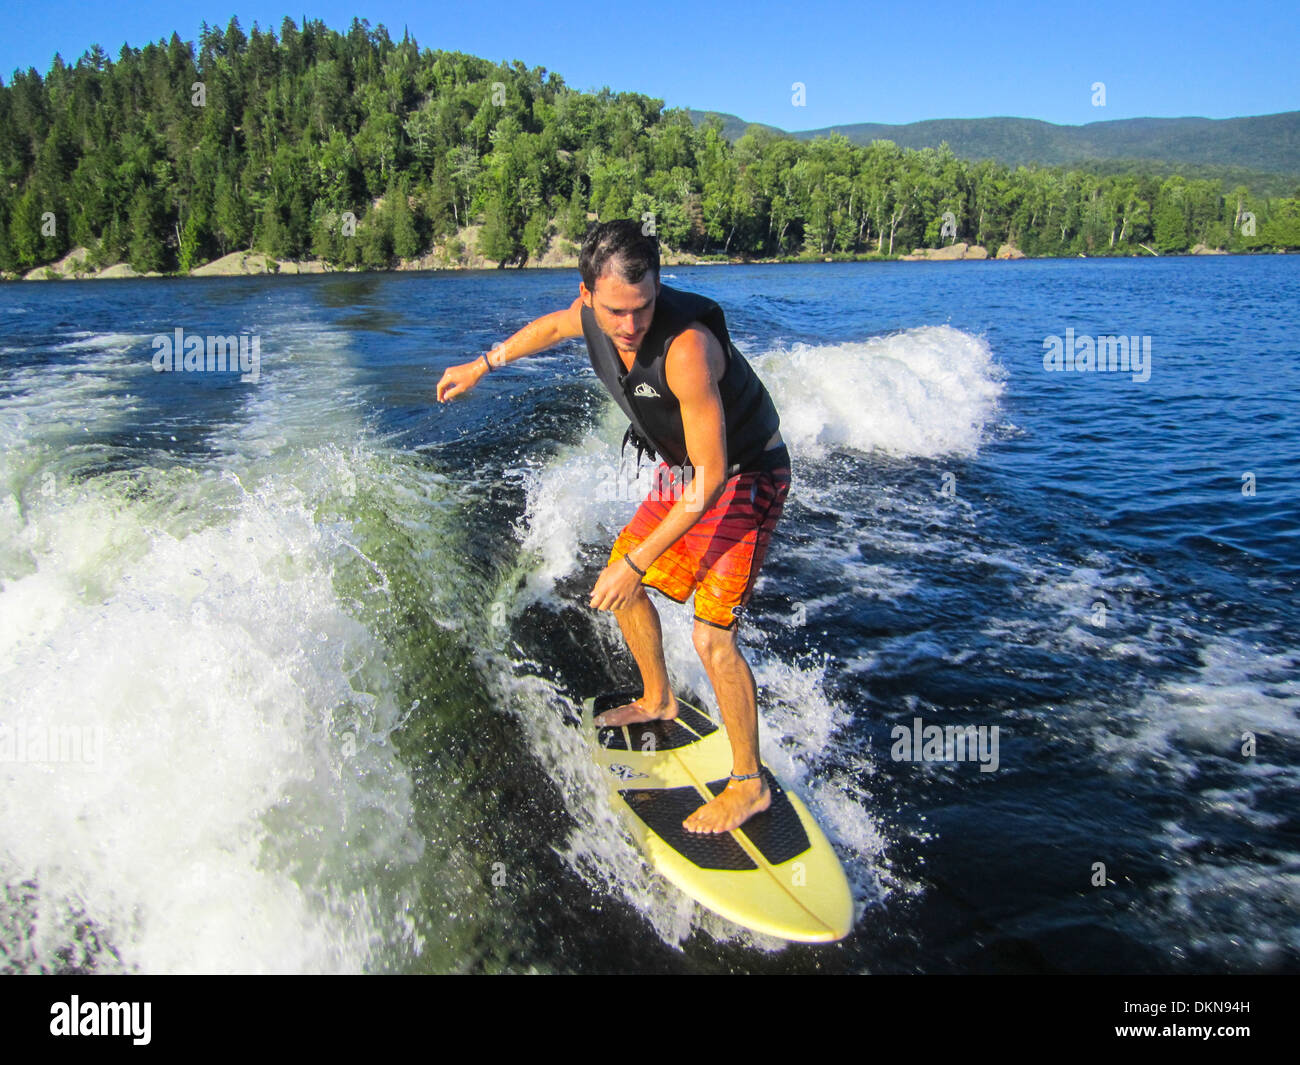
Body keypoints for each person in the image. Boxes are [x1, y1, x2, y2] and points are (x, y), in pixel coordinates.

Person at [436, 220, 790, 833]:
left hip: (744, 474)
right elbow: (550, 328)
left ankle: (748, 783)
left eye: (644, 307)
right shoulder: (590, 315)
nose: (631, 326)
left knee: (711, 635)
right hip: (688, 473)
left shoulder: (686, 349)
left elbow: (711, 479)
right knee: (622, 589)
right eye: (615, 311)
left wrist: (637, 562)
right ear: (587, 294)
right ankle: (658, 699)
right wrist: (484, 364)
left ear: (658, 289)